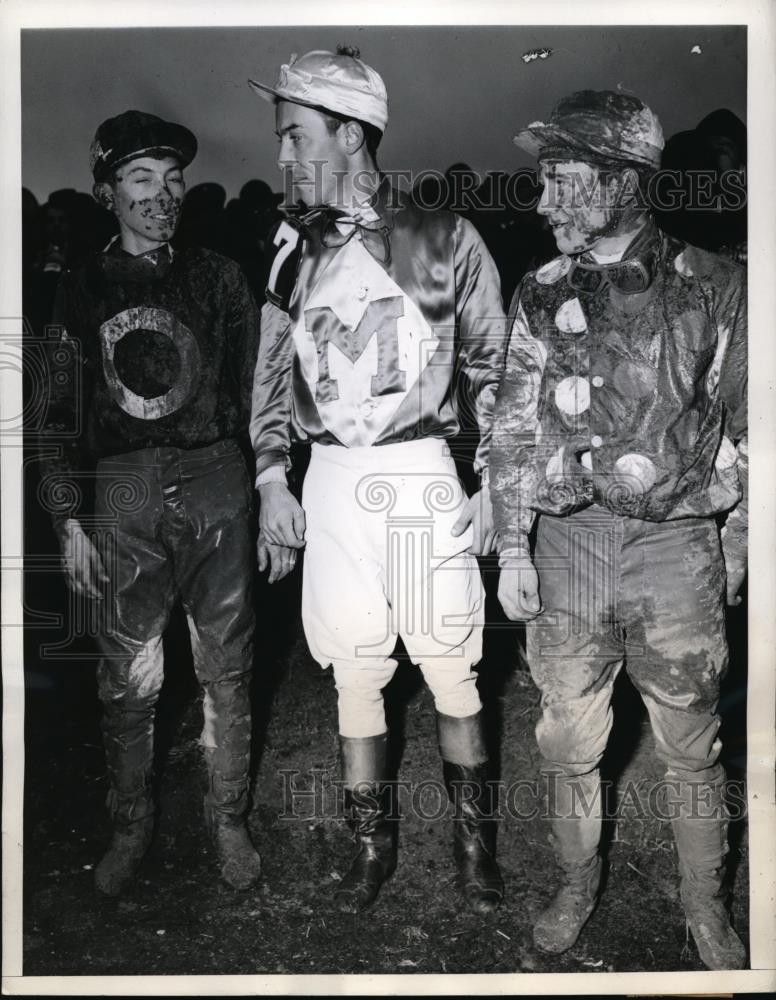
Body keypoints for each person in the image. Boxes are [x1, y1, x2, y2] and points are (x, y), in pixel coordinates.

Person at [490, 90, 747, 969]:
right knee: (568, 737)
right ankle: (576, 883)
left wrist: (740, 548)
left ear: (629, 181)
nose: (544, 203)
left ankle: (706, 905)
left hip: (678, 546)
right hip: (571, 548)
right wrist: (512, 541)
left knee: (691, 741)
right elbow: (514, 425)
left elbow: (758, 428)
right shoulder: (539, 291)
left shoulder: (718, 284)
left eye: (564, 181)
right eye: (543, 181)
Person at [248, 46, 508, 915]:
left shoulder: (445, 235)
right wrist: (271, 478)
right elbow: (271, 373)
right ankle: (373, 848)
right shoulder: (291, 248)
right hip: (330, 480)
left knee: (451, 668)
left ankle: (477, 851)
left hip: (419, 475)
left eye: (296, 137)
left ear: (352, 135)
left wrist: (493, 479)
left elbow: (496, 365)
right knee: (353, 671)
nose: (283, 158)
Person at [40, 110, 262, 896]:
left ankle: (228, 822)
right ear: (107, 192)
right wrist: (69, 519)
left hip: (215, 479)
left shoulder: (218, 276)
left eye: (172, 181)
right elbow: (55, 412)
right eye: (141, 180)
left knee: (227, 670)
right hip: (123, 490)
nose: (162, 196)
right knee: (128, 678)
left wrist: (258, 478)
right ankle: (130, 825)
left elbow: (252, 392)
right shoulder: (78, 288)